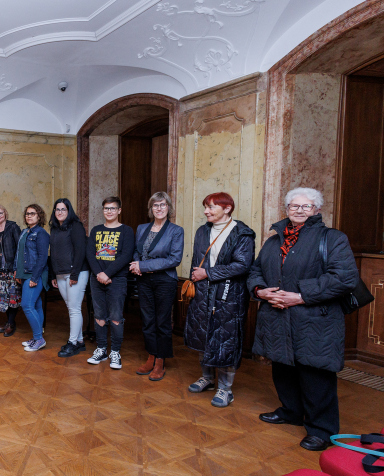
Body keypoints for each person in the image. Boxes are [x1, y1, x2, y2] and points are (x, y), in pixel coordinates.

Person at [248, 188, 357, 451]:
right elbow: (255, 270)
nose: (299, 210)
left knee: (315, 374)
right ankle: (291, 411)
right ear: (286, 210)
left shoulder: (333, 238)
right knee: (283, 368)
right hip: (277, 317)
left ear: (317, 210)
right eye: (294, 206)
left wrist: (300, 296)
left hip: (315, 319)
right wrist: (261, 291)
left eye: (306, 206)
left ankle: (321, 430)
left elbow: (344, 278)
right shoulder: (274, 241)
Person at [185, 192, 255, 408]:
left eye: (211, 207)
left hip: (229, 295)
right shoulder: (202, 231)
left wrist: (208, 273)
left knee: (226, 340)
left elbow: (242, 265)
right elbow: (197, 261)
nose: (206, 211)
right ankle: (207, 378)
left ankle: (225, 389)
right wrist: (197, 280)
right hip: (202, 293)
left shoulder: (242, 233)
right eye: (205, 207)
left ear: (227, 208)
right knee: (202, 335)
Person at [130, 192, 184, 381]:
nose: (159, 208)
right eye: (155, 205)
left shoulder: (176, 231)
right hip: (144, 280)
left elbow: (174, 259)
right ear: (151, 208)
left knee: (162, 321)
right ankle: (151, 355)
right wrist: (136, 265)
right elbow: (136, 251)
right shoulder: (142, 228)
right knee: (147, 320)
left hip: (165, 281)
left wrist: (143, 266)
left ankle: (160, 360)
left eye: (163, 205)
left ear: (169, 207)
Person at [86, 196, 135, 370]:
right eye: (106, 208)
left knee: (115, 316)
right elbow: (90, 254)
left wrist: (107, 273)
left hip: (117, 280)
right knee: (99, 315)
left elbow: (126, 255)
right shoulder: (96, 230)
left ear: (119, 210)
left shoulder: (126, 231)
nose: (109, 211)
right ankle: (101, 349)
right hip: (96, 279)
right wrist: (99, 274)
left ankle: (115, 351)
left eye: (113, 208)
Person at [49, 198, 89, 357]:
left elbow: (80, 251)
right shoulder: (54, 228)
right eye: (57, 209)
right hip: (60, 273)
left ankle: (72, 343)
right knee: (72, 307)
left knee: (74, 308)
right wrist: (53, 274)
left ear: (69, 211)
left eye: (63, 209)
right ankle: (79, 341)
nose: (60, 212)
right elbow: (53, 253)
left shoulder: (76, 226)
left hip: (76, 273)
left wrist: (75, 274)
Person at [16, 204, 50, 352]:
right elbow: (19, 253)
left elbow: (42, 258)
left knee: (27, 305)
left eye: (33, 213)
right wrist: (18, 272)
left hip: (35, 274)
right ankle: (37, 337)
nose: (29, 216)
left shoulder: (41, 233)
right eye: (27, 213)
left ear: (39, 216)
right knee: (36, 305)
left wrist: (35, 278)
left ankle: (39, 339)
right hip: (24, 273)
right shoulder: (25, 232)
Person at [0, 204, 22, 337]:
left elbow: (20, 249)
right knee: (4, 299)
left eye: (0, 213)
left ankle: (11, 323)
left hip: (10, 270)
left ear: (5, 213)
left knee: (12, 298)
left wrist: (17, 269)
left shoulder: (13, 227)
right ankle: (9, 322)